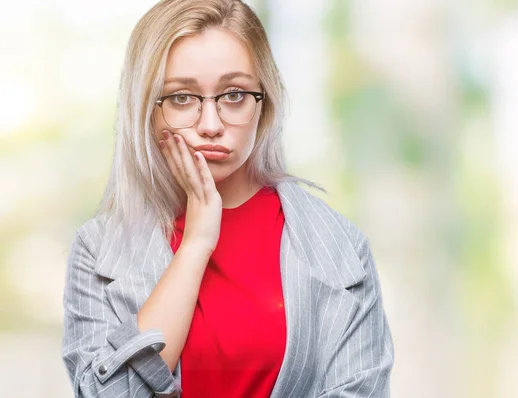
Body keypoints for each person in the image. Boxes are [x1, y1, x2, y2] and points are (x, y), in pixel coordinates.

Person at [61, 0, 394, 397]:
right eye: (182, 97)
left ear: (264, 103)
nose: (211, 124)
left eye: (234, 94)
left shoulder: (342, 247)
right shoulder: (95, 250)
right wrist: (197, 242)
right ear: (147, 110)